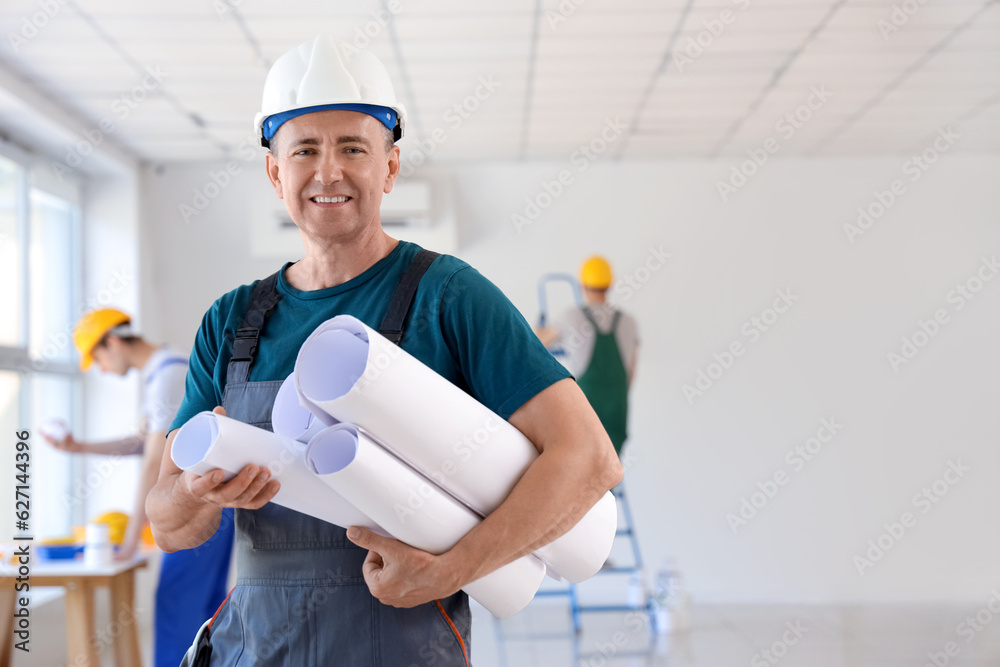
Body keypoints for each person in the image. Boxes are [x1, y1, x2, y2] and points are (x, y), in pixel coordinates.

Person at [146, 35, 622, 666]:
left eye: (353, 148)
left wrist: (451, 569)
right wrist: (196, 493)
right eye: (305, 150)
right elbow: (170, 524)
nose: (328, 171)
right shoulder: (231, 322)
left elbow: (589, 460)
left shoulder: (447, 297)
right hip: (255, 649)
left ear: (390, 167)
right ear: (274, 171)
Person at [43, 308, 234, 667]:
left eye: (96, 358)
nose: (100, 368)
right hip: (211, 500)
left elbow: (152, 461)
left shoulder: (169, 373)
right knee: (207, 609)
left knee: (178, 605)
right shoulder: (165, 370)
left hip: (195, 504)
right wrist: (79, 446)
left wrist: (131, 539)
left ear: (113, 341)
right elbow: (141, 443)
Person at [536, 257, 639, 455]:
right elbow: (631, 374)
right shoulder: (629, 321)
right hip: (618, 408)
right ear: (609, 284)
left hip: (586, 408)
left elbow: (538, 343)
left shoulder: (571, 316)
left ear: (582, 285)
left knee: (583, 467)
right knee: (611, 469)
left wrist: (539, 328)